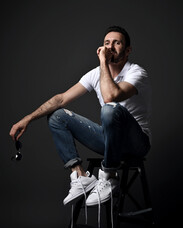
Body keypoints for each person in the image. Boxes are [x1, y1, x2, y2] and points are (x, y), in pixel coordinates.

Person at [9, 26, 151, 207]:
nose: (110, 47)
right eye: (107, 43)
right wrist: (27, 119)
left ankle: (109, 176)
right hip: (110, 143)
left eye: (117, 43)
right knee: (57, 116)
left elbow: (110, 97)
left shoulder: (137, 73)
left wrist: (102, 63)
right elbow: (61, 99)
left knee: (109, 109)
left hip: (136, 143)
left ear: (128, 49)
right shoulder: (96, 74)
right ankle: (80, 176)